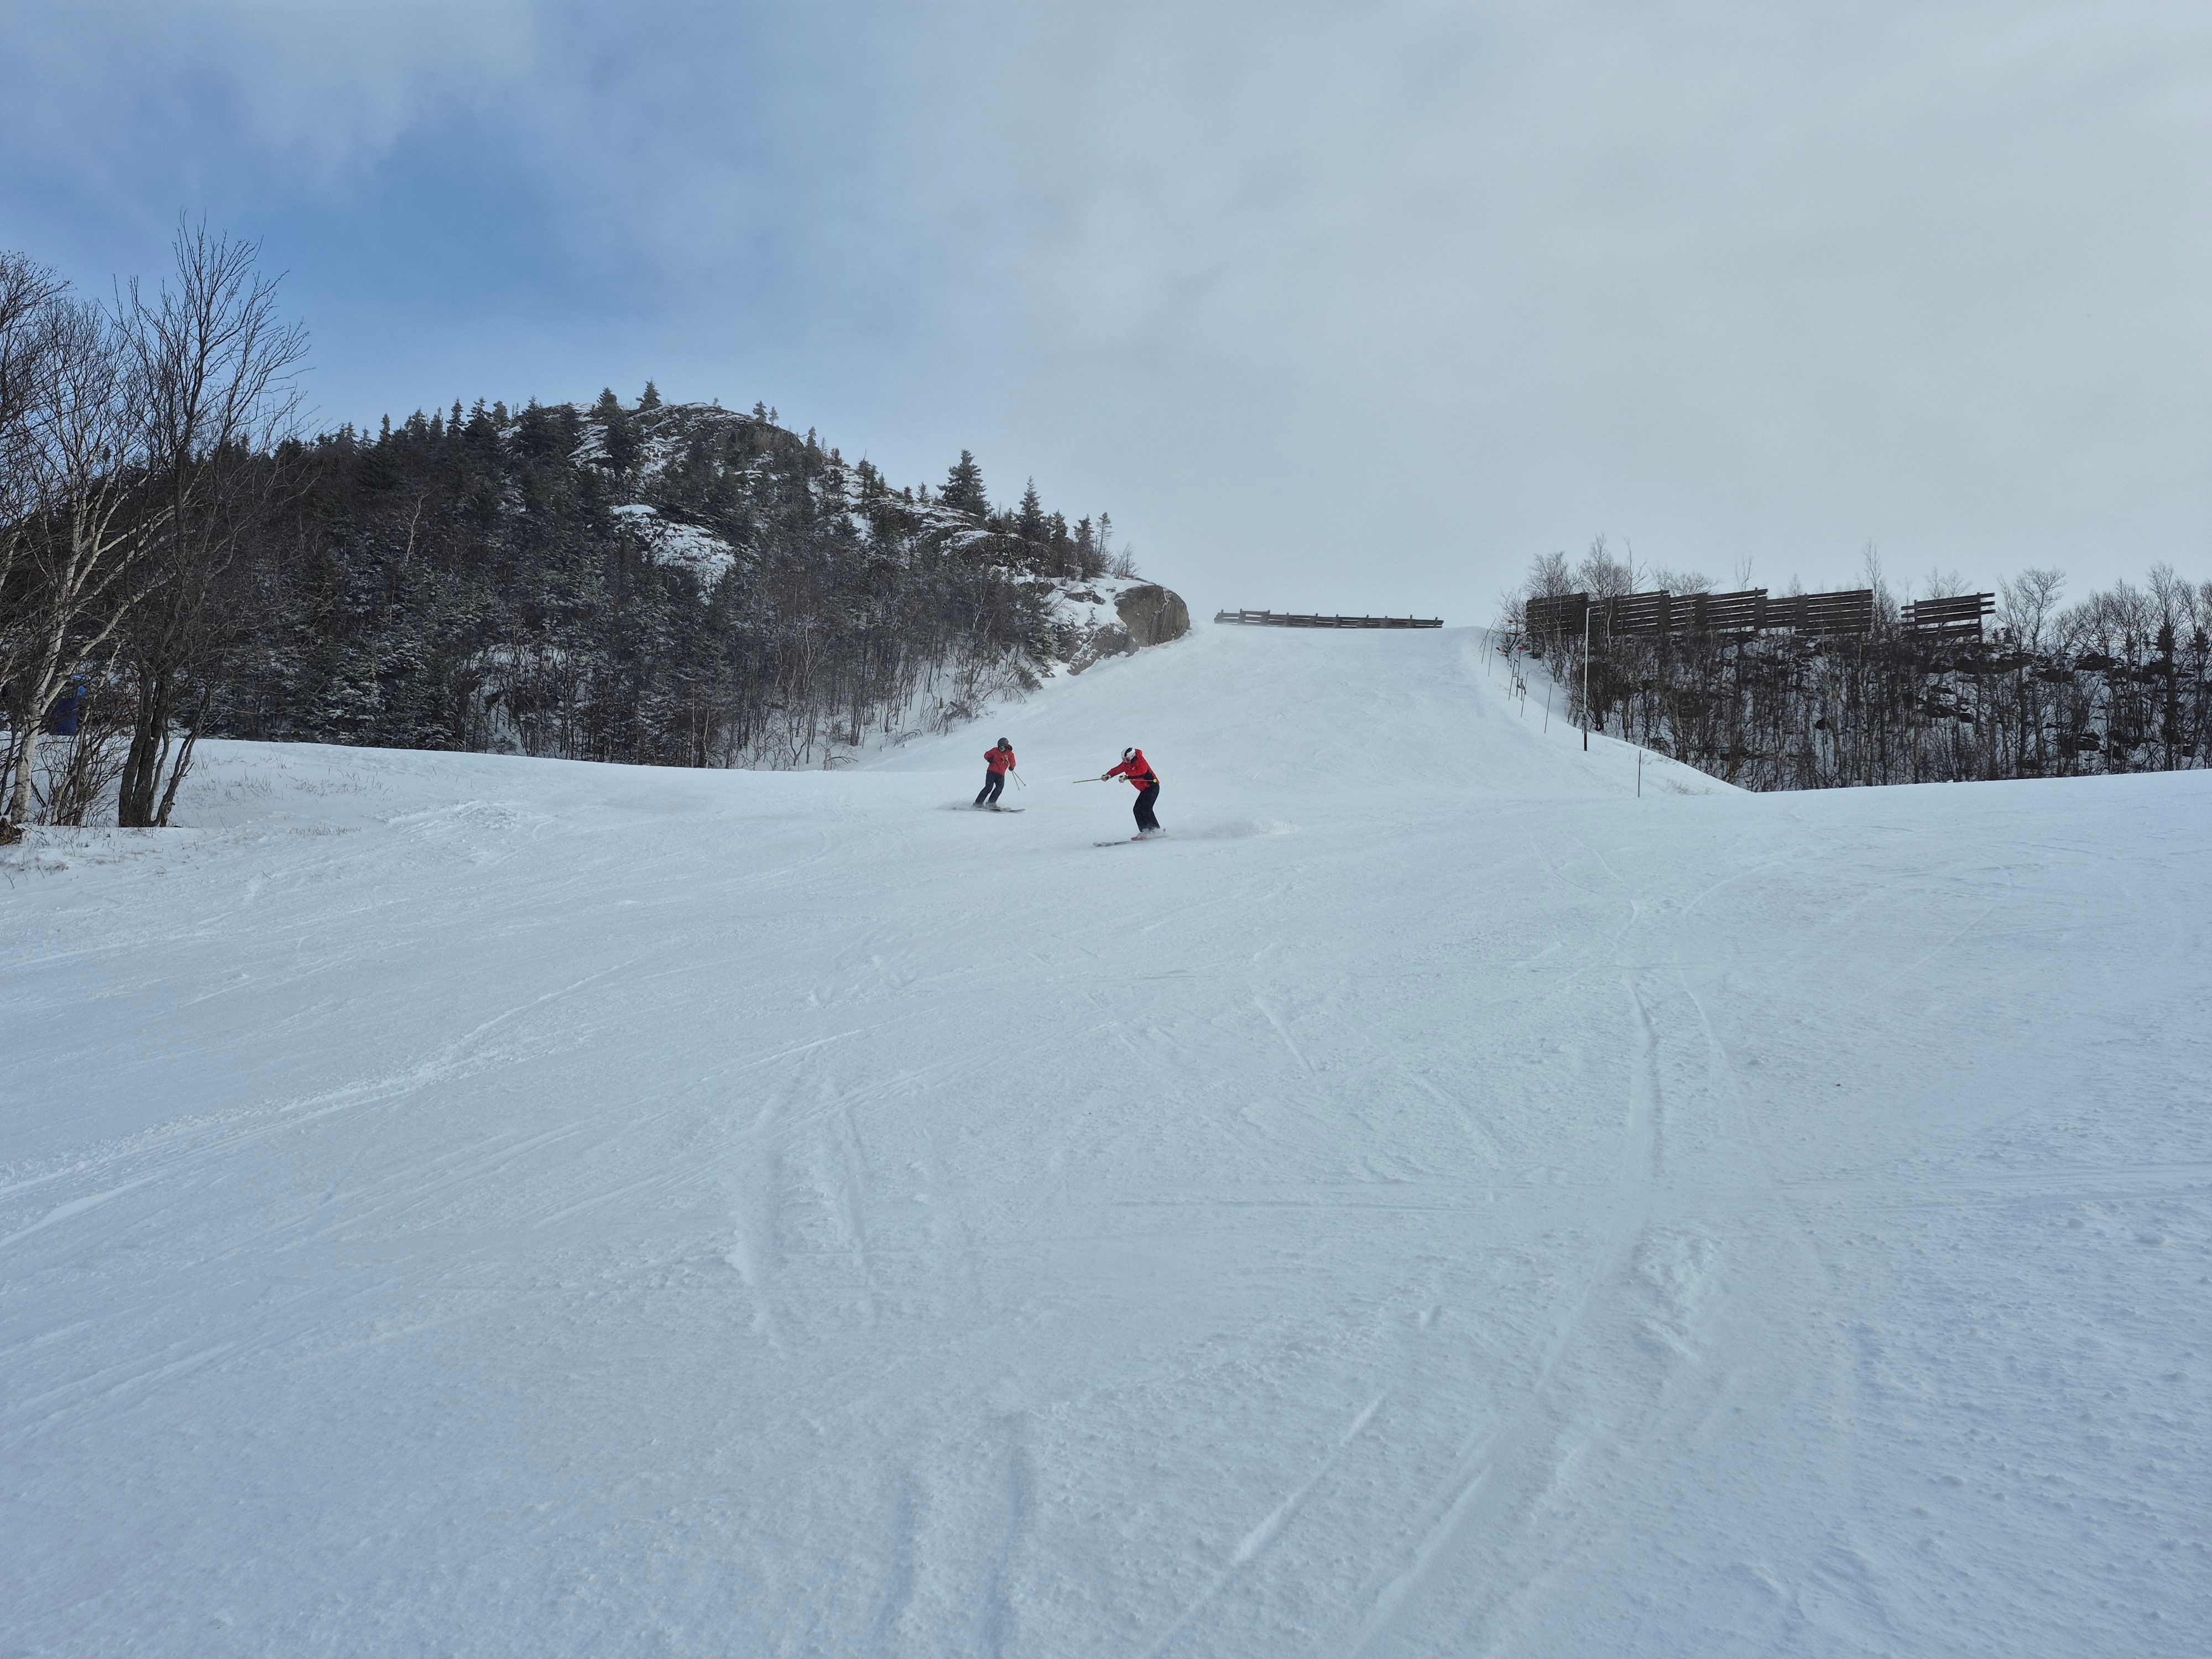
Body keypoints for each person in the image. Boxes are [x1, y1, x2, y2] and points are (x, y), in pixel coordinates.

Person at [1101, 745, 1162, 835]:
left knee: (1146, 808)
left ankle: (1155, 830)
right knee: (1137, 809)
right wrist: (1108, 775)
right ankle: (1145, 830)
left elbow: (1142, 772)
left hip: (1152, 787)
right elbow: (1117, 769)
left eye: (1127, 759)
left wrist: (1127, 777)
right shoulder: (1126, 764)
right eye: (1124, 760)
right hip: (1144, 790)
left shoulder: (1141, 761)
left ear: (1133, 757)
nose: (1125, 762)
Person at [976, 737, 1016, 808]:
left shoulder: (1010, 754)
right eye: (999, 747)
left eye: (1002, 748)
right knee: (989, 788)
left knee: (999, 788)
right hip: (991, 772)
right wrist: (989, 759)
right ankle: (978, 803)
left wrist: (1012, 767)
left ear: (1006, 746)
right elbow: (986, 755)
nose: (1001, 749)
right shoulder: (995, 751)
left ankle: (991, 803)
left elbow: (1013, 762)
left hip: (1001, 775)